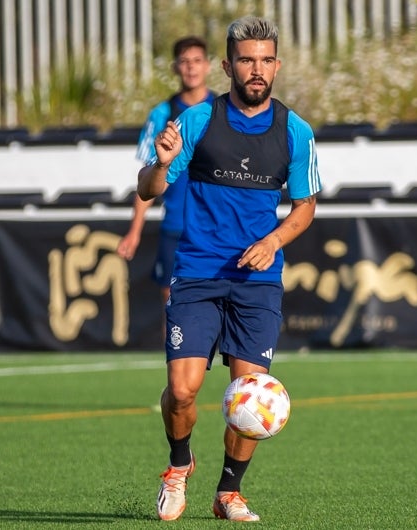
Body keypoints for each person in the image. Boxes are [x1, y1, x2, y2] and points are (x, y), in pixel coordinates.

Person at [137, 16, 321, 522]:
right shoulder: (197, 121)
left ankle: (228, 492)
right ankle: (178, 467)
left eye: (265, 60)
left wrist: (274, 240)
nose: (256, 69)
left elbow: (305, 207)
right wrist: (158, 164)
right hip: (197, 273)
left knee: (249, 397)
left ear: (277, 65)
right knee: (182, 390)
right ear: (227, 66)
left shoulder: (295, 132)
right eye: (246, 60)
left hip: (257, 283)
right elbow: (148, 190)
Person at [117, 36, 215, 311]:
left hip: (217, 227)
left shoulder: (222, 111)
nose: (191, 68)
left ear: (208, 66)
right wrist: (134, 232)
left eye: (197, 61)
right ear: (175, 68)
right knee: (173, 306)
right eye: (184, 62)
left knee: (219, 306)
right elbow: (147, 178)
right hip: (176, 226)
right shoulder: (163, 114)